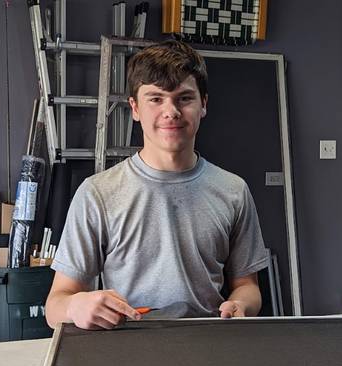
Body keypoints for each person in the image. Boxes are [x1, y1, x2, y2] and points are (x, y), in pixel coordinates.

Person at [45, 40, 269, 330]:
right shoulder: (97, 193)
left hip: (209, 345)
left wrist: (241, 305)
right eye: (156, 98)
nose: (171, 110)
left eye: (184, 98)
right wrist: (76, 306)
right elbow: (55, 305)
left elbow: (247, 286)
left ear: (204, 105)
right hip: (128, 348)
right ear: (135, 108)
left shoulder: (233, 191)